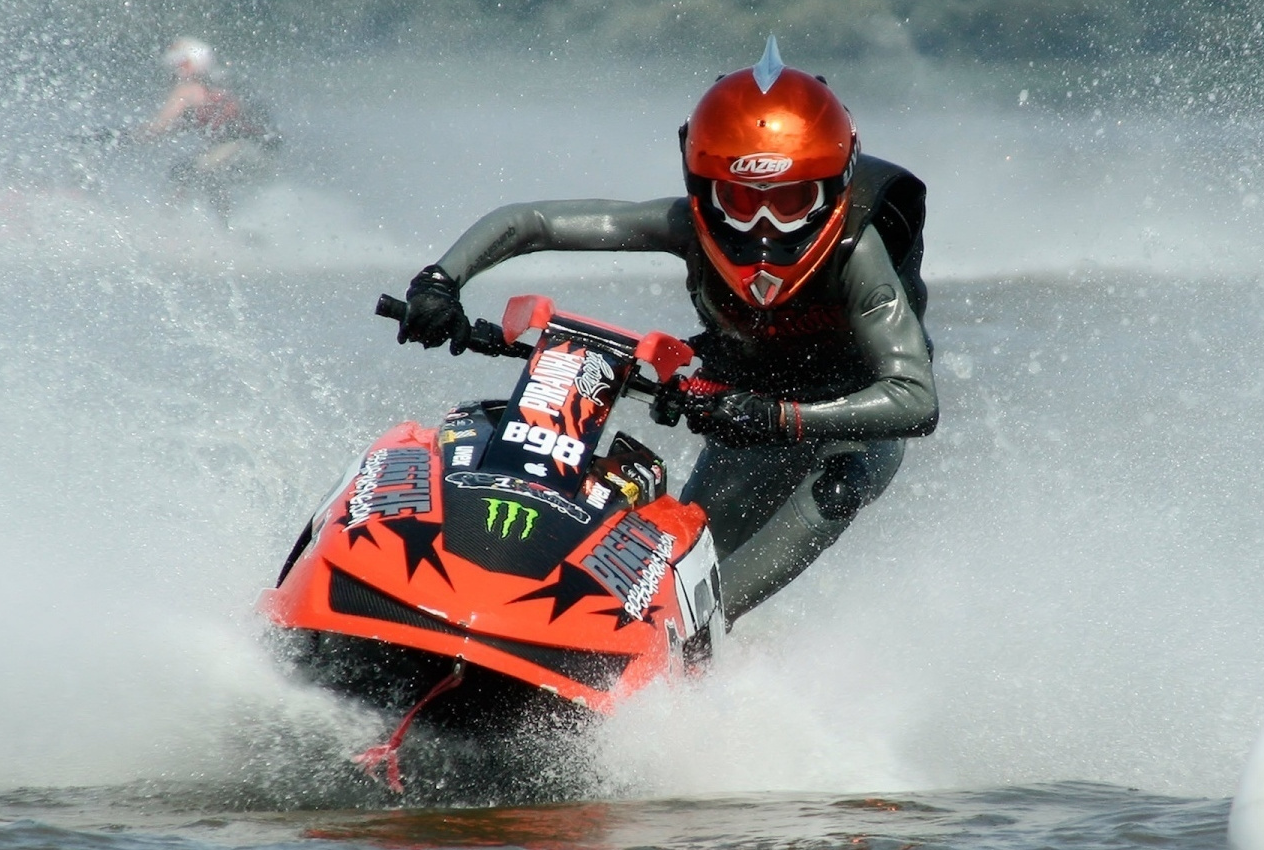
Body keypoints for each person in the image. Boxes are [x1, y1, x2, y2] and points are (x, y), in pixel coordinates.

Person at [396, 37, 937, 625]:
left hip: (852, 412)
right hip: (741, 400)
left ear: (835, 188)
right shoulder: (685, 225)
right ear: (702, 189)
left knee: (840, 485)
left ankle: (699, 634)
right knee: (686, 550)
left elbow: (915, 399)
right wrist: (439, 282)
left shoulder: (860, 255)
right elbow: (532, 222)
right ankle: (529, 593)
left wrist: (782, 417)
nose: (762, 227)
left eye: (790, 202)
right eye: (738, 200)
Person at [140, 36, 277, 222]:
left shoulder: (190, 90)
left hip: (243, 148)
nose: (176, 72)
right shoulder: (225, 80)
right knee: (206, 171)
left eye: (180, 65)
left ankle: (165, 226)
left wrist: (110, 136)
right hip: (265, 154)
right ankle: (226, 227)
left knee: (187, 171)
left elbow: (155, 130)